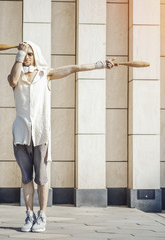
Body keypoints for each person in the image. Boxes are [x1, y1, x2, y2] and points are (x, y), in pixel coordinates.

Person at [8, 41, 116, 233]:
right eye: (24, 53)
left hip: (41, 133)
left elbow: (75, 68)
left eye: (30, 53)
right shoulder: (16, 75)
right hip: (21, 134)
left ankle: (42, 216)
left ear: (36, 55)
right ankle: (29, 215)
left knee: (41, 178)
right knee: (26, 178)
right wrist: (19, 53)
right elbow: (13, 81)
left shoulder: (45, 74)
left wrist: (101, 64)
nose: (27, 56)